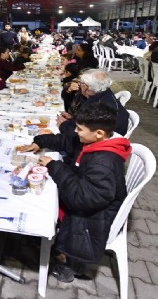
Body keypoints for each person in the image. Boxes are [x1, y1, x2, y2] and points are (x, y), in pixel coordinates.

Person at [17, 102, 131, 282]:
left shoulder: (104, 162)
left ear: (99, 133)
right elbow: (66, 141)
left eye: (79, 129)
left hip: (93, 219)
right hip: (87, 197)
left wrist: (55, 167)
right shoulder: (94, 140)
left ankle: (71, 264)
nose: (75, 132)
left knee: (39, 199)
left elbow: (81, 198)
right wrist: (39, 142)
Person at [57, 69, 129, 138]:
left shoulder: (100, 108)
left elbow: (85, 135)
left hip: (102, 144)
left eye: (80, 83)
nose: (79, 84)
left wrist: (64, 126)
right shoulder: (100, 92)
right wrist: (73, 118)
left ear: (85, 86)